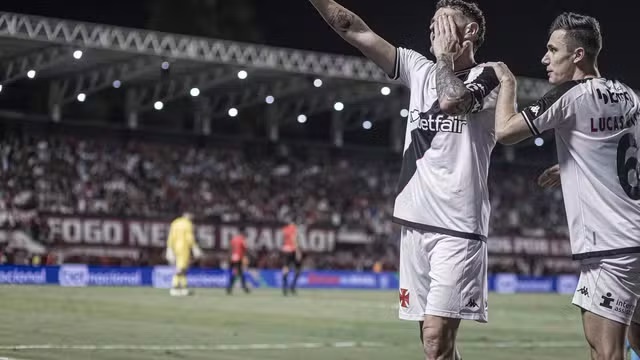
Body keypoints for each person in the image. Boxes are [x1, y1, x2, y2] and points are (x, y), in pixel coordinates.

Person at [306, 0, 499, 358]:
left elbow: (453, 100)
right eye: (432, 25)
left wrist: (443, 59)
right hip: (414, 224)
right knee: (433, 344)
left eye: (443, 23)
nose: (434, 30)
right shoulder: (417, 68)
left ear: (469, 31)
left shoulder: (490, 77)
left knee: (435, 340)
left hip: (458, 228)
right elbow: (351, 27)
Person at [485, 12, 640, 360]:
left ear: (578, 56)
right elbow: (624, 154)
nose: (545, 58)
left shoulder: (571, 95)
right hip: (634, 239)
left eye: (553, 50)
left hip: (611, 248)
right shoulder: (629, 95)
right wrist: (572, 165)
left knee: (605, 352)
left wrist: (507, 83)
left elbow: (506, 131)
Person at [166, 212, 202, 296]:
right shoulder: (187, 224)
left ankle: (183, 288)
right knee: (181, 268)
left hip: (175, 247)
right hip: (183, 247)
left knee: (182, 268)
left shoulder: (175, 222)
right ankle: (175, 287)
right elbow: (189, 237)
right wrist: (194, 247)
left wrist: (169, 247)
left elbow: (171, 236)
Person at [281, 220, 302, 296]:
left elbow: (283, 240)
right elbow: (294, 239)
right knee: (298, 269)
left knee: (285, 268)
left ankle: (284, 288)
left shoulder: (284, 229)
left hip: (285, 250)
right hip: (292, 250)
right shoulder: (294, 229)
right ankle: (292, 286)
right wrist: (297, 251)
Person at [226, 228, 250, 294]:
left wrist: (229, 257)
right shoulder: (242, 239)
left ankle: (243, 287)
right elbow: (246, 248)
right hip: (239, 257)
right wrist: (248, 256)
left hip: (233, 258)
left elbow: (230, 248)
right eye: (246, 236)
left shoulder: (234, 239)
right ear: (244, 234)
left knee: (238, 272)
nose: (246, 237)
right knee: (238, 272)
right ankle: (232, 288)